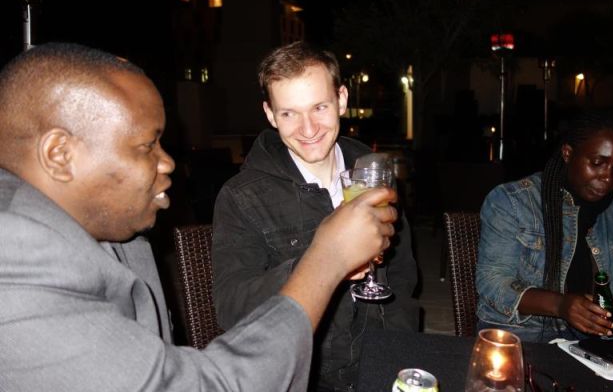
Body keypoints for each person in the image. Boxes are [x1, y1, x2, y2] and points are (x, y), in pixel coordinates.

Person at [0, 42, 399, 392]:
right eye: (147, 145)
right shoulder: (16, 257)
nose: (168, 162)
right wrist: (327, 259)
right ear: (59, 155)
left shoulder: (118, 233)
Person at [212, 41, 419, 391]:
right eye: (289, 114)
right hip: (304, 375)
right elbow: (231, 307)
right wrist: (322, 262)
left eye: (319, 107)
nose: (308, 129)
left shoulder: (372, 172)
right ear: (270, 114)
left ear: (341, 99)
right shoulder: (241, 196)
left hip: (381, 363)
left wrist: (395, 354)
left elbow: (401, 273)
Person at [476, 109, 613, 344]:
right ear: (568, 153)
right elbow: (492, 282)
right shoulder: (513, 201)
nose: (607, 176)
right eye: (597, 163)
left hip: (593, 341)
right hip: (525, 333)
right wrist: (561, 305)